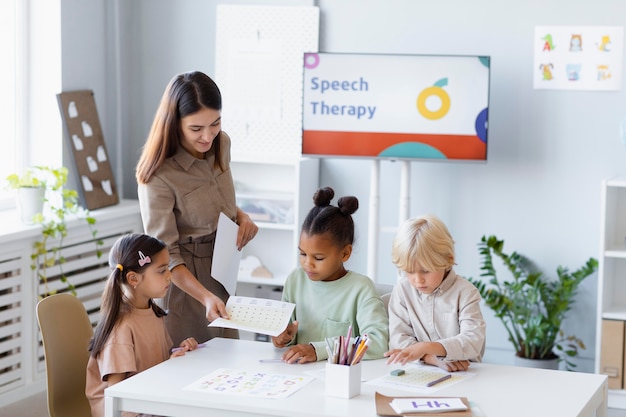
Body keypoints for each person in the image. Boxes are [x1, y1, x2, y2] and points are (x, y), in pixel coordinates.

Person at [135, 71, 258, 345]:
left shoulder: (221, 143)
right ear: (174, 124)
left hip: (222, 273)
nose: (207, 137)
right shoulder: (158, 175)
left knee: (229, 366)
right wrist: (204, 296)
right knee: (189, 372)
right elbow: (166, 255)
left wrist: (241, 216)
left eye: (215, 123)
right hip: (184, 287)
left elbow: (218, 200)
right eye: (196, 129)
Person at [86, 233, 199, 417]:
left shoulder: (152, 312)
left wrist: (179, 353)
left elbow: (153, 363)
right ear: (133, 279)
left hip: (150, 402)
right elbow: (117, 403)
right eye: (162, 270)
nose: (170, 275)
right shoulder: (120, 330)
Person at [272, 186, 389, 364]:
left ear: (345, 254)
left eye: (318, 258)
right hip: (298, 375)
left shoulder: (361, 289)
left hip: (341, 380)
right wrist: (282, 337)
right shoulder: (295, 280)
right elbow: (287, 336)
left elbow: (377, 342)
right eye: (302, 254)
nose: (307, 263)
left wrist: (317, 349)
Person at [384, 214, 486, 372]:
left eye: (425, 270)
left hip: (467, 374)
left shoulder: (466, 293)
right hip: (419, 371)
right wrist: (431, 358)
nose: (418, 280)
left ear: (448, 260)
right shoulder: (402, 291)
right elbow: (399, 340)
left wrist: (426, 347)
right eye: (409, 271)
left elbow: (473, 341)